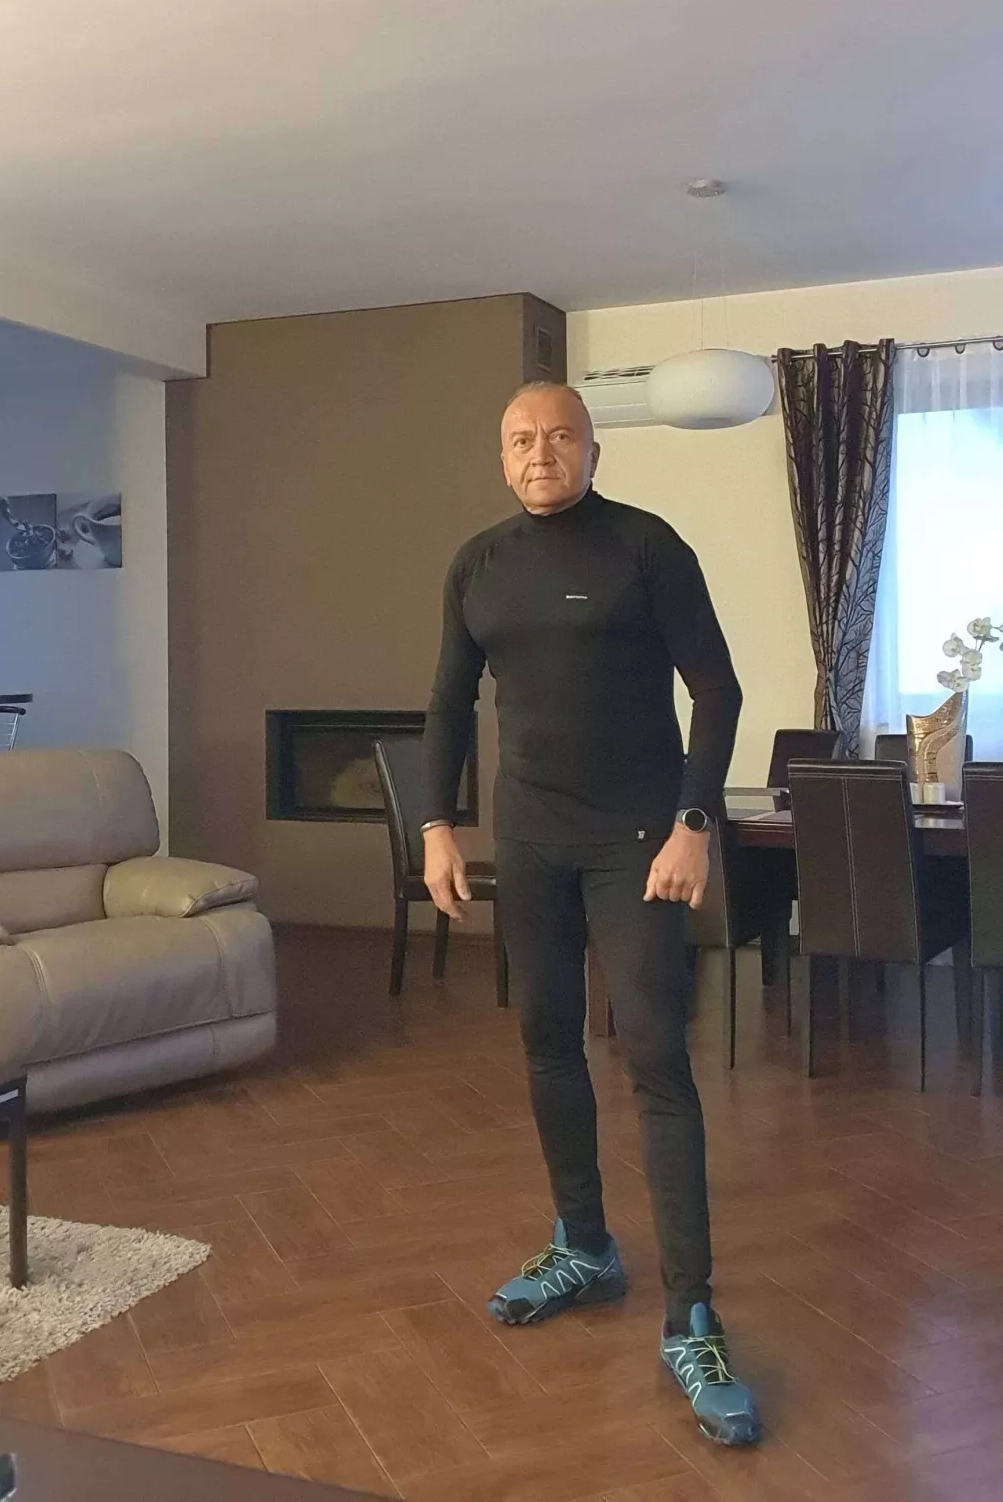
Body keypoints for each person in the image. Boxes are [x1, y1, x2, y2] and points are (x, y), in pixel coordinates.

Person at [419, 380, 761, 1447]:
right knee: (546, 1041)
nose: (541, 453)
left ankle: (692, 1315)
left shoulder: (645, 547)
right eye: (521, 438)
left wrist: (693, 821)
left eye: (560, 435)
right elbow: (447, 700)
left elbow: (718, 689)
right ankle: (584, 1244)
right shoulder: (477, 563)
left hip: (637, 841)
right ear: (502, 454)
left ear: (592, 450)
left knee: (655, 1054)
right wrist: (436, 825)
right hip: (529, 840)